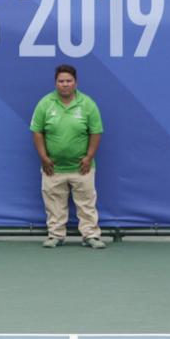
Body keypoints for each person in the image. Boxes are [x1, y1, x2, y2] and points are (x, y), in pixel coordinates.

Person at [30, 64, 105, 249]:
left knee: (87, 203)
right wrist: (43, 157)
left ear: (75, 83)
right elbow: (37, 131)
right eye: (61, 81)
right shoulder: (45, 103)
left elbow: (96, 132)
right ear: (56, 83)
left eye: (68, 81)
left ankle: (91, 236)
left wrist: (89, 157)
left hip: (82, 166)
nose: (65, 84)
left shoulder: (87, 104)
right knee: (54, 204)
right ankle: (55, 235)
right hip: (53, 167)